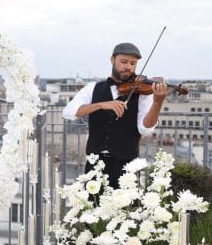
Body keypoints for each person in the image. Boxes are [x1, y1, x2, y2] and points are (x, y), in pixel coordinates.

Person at [62, 42, 167, 188]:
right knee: (93, 202)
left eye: (133, 63)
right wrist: (100, 105)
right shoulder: (93, 88)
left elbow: (146, 129)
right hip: (95, 164)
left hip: (128, 165)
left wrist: (158, 102)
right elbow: (68, 113)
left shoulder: (143, 93)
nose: (128, 67)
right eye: (124, 61)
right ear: (112, 60)